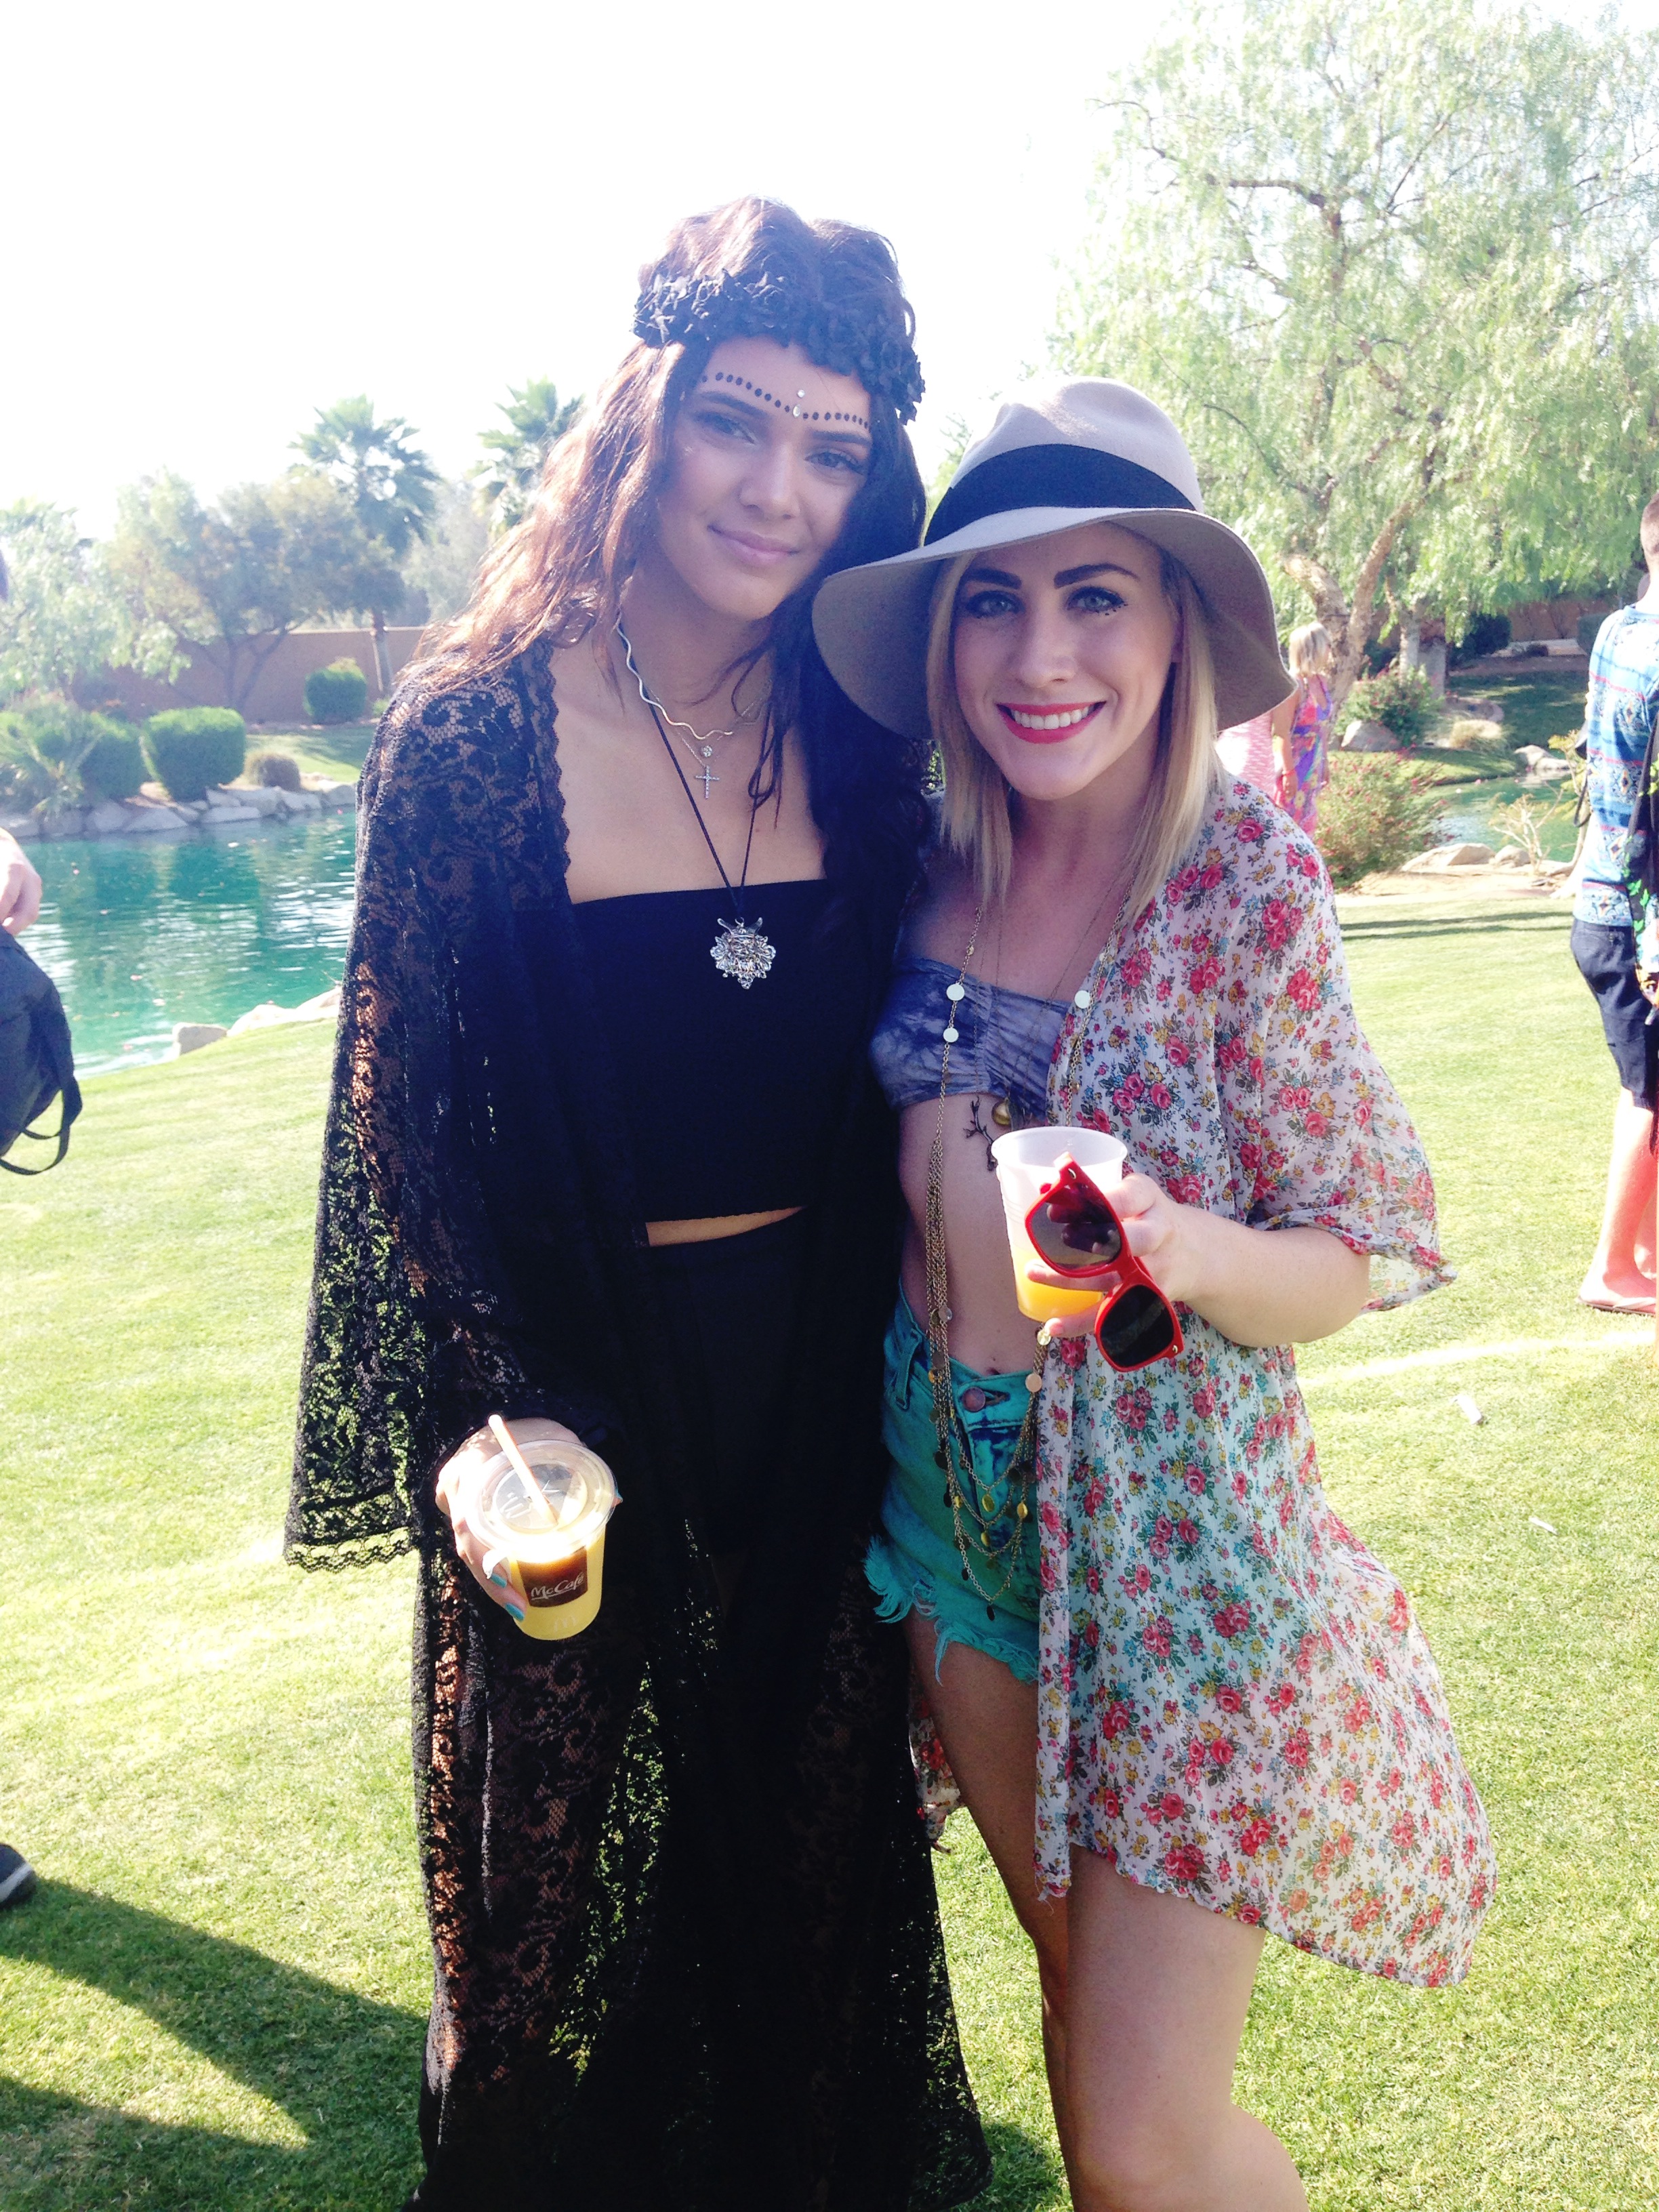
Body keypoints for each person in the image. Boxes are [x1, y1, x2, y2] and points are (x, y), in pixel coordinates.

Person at [287, 199, 989, 2211]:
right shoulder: (476, 739)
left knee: (816, 1883)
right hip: (570, 1425)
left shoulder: (868, 736)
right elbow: (400, 1116)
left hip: (821, 1412)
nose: (780, 488)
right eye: (738, 423)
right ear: (647, 418)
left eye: (834, 448)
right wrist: (501, 1401)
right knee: (534, 1915)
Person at [813, 378, 1495, 2212]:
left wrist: (1184, 1245)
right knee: (1084, 2029)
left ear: (1176, 623)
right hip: (947, 1539)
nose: (1042, 653)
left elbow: (1356, 1249)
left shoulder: (1243, 880)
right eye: (993, 599)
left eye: (1096, 594)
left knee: (1136, 2133)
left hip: (1176, 1575)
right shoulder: (925, 869)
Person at [1572, 496, 1659, 1316]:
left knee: (1648, 1080)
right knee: (1652, 1088)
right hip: (1641, 914)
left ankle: (1641, 1253)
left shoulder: (1619, 631)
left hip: (1603, 902)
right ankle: (1612, 1268)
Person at [1270, 620, 1334, 832]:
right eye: (1327, 645)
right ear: (1313, 648)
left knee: (1307, 824)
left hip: (1313, 763)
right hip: (1295, 763)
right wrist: (1289, 772)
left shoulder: (1322, 682)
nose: (1330, 650)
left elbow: (1322, 727)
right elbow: (1281, 734)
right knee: (1286, 824)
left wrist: (1325, 761)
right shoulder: (1293, 685)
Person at [1214, 709, 1275, 798]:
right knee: (1254, 804)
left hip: (1226, 747)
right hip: (1256, 752)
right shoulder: (1272, 696)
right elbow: (1281, 732)